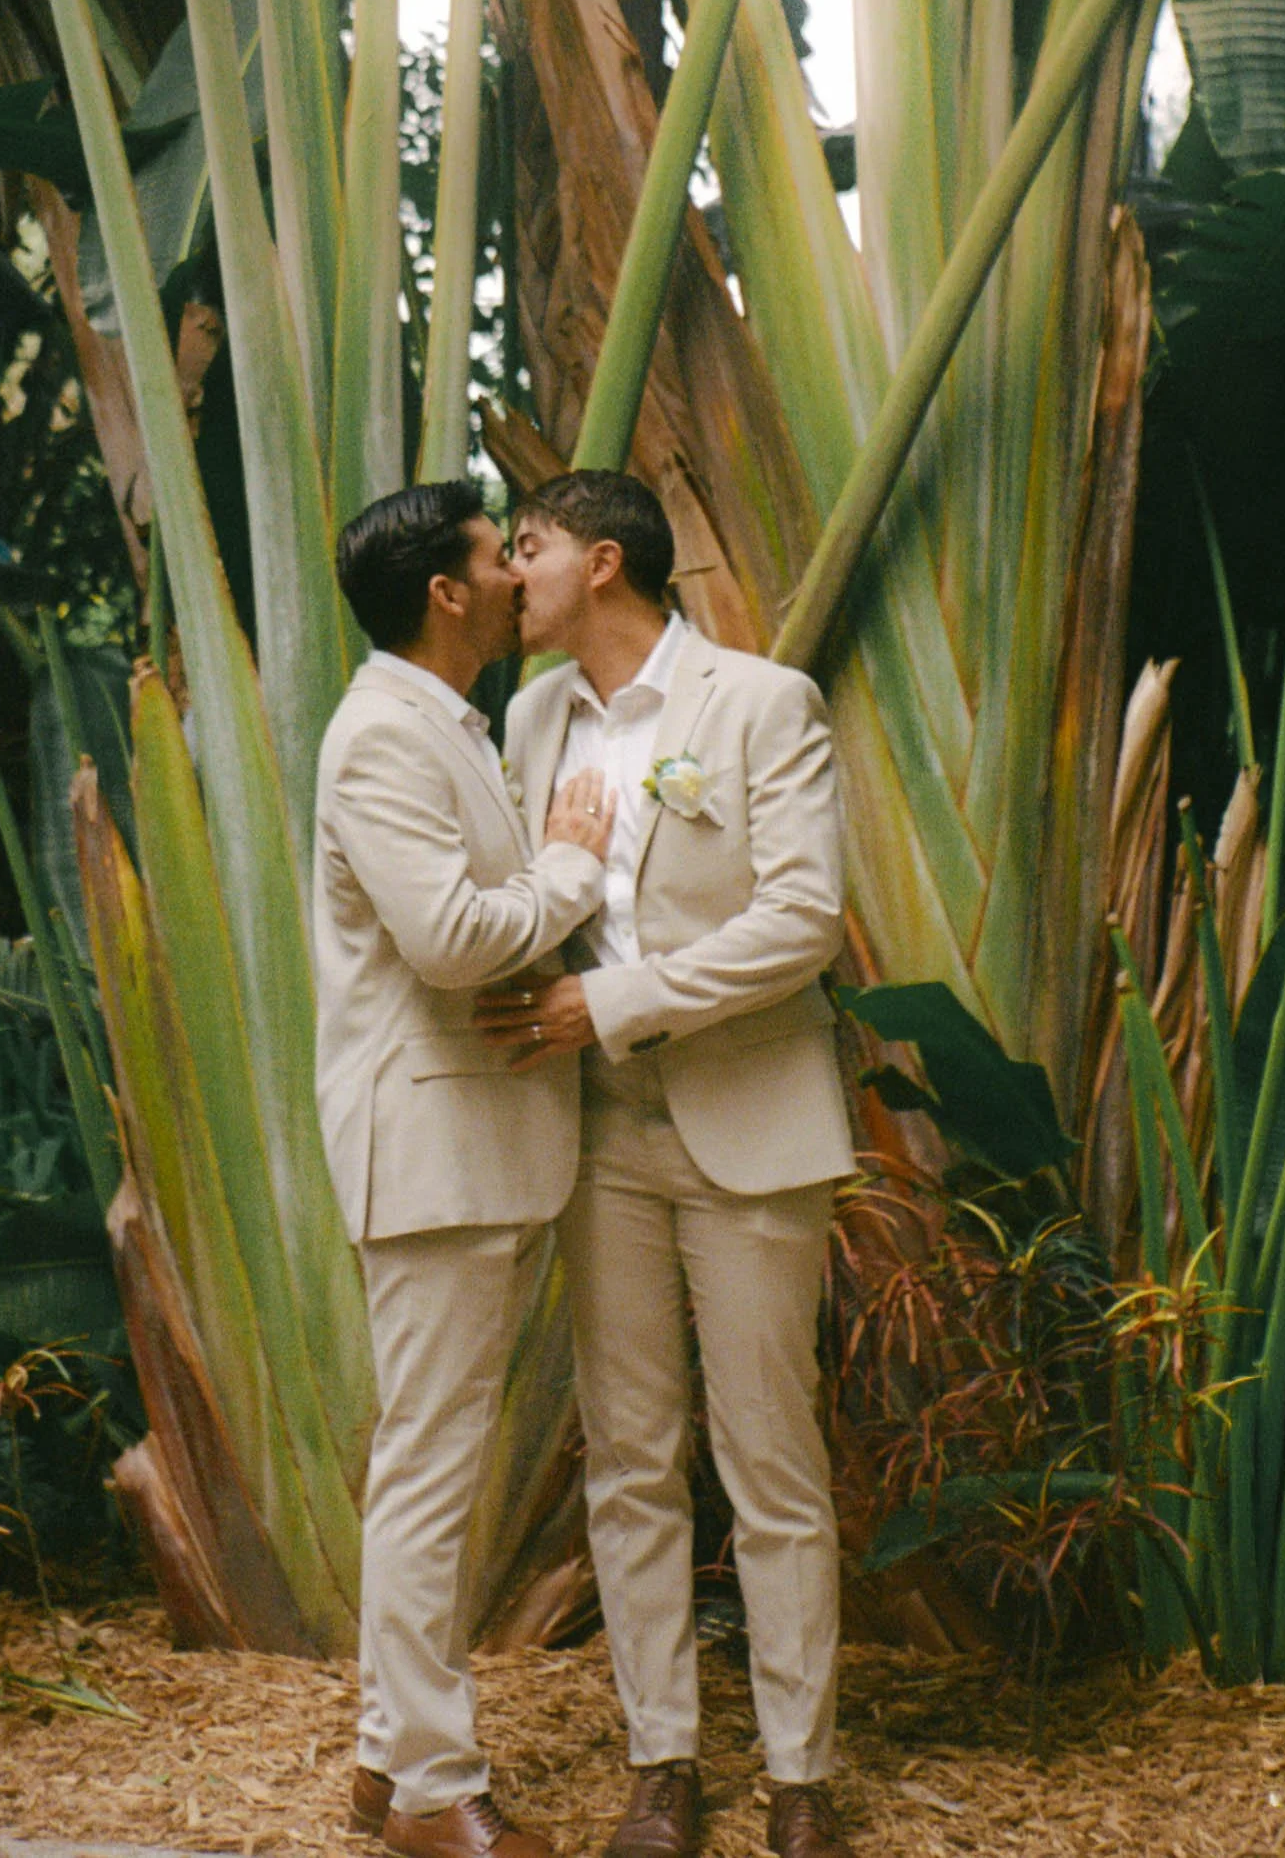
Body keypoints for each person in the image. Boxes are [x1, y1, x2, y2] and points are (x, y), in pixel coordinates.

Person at [476, 472, 856, 1858]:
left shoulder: (761, 703)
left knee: (770, 1455)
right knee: (628, 1456)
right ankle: (660, 1766)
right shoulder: (526, 717)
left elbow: (803, 917)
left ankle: (800, 1776)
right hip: (594, 1137)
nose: (511, 573)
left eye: (527, 548)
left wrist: (616, 1002)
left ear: (609, 559)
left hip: (749, 1120)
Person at [316, 481, 617, 1858]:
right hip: (429, 1150)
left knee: (432, 1460)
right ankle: (433, 1790)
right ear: (443, 591)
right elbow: (446, 935)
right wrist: (567, 872)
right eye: (498, 557)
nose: (513, 577)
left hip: (474, 1147)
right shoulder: (382, 732)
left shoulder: (445, 722)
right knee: (429, 1469)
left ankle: (391, 1760)